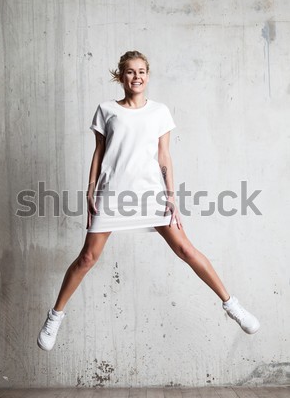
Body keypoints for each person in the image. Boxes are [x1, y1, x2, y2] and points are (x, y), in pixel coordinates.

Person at [37, 50, 260, 352]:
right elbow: (99, 152)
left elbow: (164, 155)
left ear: (148, 75)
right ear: (121, 76)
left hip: (150, 193)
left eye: (142, 71)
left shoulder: (159, 112)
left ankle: (232, 304)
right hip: (113, 193)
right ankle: (55, 315)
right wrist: (90, 188)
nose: (137, 76)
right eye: (130, 71)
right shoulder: (106, 110)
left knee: (185, 248)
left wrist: (170, 195)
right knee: (88, 258)